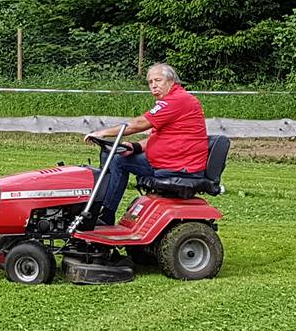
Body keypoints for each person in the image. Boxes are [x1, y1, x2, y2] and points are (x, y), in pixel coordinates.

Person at [84, 63, 208, 225]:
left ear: (171, 81)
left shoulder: (178, 100)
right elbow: (160, 137)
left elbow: (140, 123)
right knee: (117, 156)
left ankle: (104, 214)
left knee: (117, 161)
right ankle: (102, 213)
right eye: (150, 82)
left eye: (158, 80)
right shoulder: (175, 100)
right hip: (171, 161)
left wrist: (102, 132)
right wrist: (135, 147)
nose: (154, 85)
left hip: (179, 167)